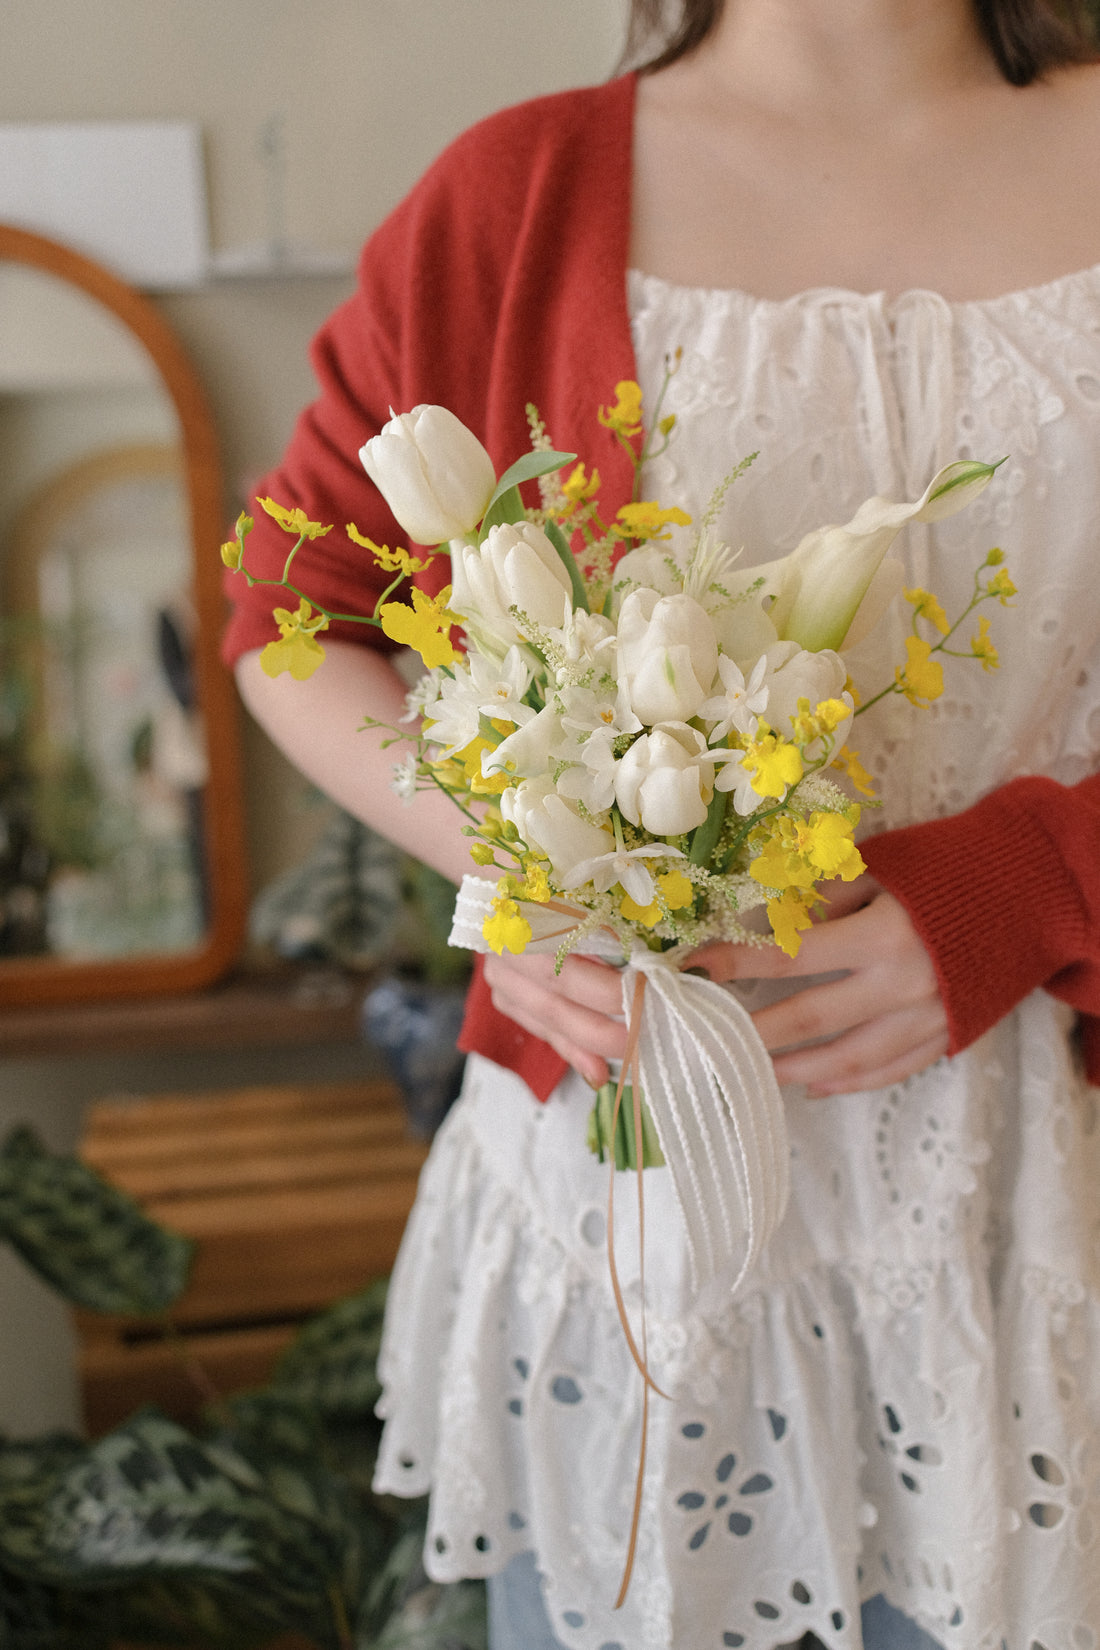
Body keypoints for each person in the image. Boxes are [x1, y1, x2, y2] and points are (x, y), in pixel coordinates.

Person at [222, 2, 1100, 1645]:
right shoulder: (515, 199)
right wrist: (520, 863)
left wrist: (1036, 884)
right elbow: (295, 618)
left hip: (1039, 1234)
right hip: (628, 1268)